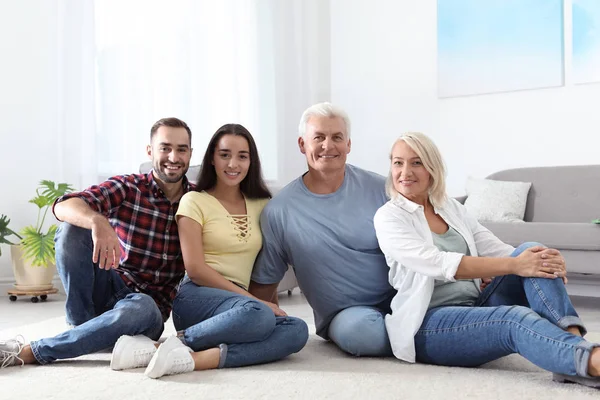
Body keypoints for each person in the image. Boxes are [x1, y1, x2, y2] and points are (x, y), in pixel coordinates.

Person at [373, 131, 600, 388]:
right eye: (398, 163)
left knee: (533, 249)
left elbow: (495, 248)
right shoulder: (389, 217)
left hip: (476, 305)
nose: (405, 172)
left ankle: (574, 347)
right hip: (428, 324)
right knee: (512, 319)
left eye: (416, 162)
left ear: (432, 168)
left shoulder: (450, 208)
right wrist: (516, 265)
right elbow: (438, 263)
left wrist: (538, 260)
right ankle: (590, 360)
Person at [115, 123, 308, 379]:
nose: (233, 164)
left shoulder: (263, 204)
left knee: (297, 330)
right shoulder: (194, 200)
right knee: (259, 314)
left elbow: (270, 259)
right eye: (225, 154)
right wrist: (255, 302)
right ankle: (169, 344)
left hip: (239, 305)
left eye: (242, 156)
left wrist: (260, 301)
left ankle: (191, 359)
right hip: (198, 298)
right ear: (212, 159)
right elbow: (195, 270)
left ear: (251, 161)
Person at [0, 117, 195, 370]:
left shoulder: (197, 201)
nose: (173, 157)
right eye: (165, 148)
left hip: (146, 310)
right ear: (150, 151)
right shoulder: (129, 186)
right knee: (72, 229)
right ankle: (83, 329)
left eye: (181, 149)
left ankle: (32, 351)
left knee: (143, 306)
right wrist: (97, 220)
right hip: (109, 282)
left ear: (190, 153)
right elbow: (62, 205)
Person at [249, 102, 396, 357]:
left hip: (401, 297)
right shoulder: (280, 211)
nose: (328, 145)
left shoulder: (382, 188)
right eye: (319, 137)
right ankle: (421, 332)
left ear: (348, 144)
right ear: (302, 144)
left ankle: (420, 327)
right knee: (365, 336)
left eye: (337, 137)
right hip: (348, 316)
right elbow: (265, 283)